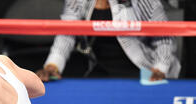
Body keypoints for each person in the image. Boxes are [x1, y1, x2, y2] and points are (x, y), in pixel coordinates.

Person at [35, 0, 181, 82]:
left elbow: (164, 38)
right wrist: (52, 65)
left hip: (141, 70)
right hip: (100, 70)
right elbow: (66, 32)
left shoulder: (144, 1)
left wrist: (159, 69)